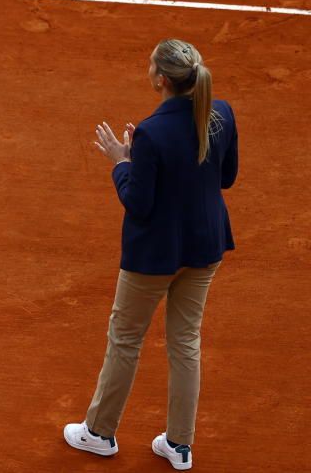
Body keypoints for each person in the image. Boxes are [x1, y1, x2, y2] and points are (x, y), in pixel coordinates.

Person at [63, 39, 238, 471]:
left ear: (161, 79)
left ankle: (100, 433)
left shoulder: (151, 133)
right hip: (205, 247)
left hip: (155, 256)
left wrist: (122, 162)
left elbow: (139, 203)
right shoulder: (222, 114)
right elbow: (227, 177)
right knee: (185, 342)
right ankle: (179, 444)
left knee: (125, 339)